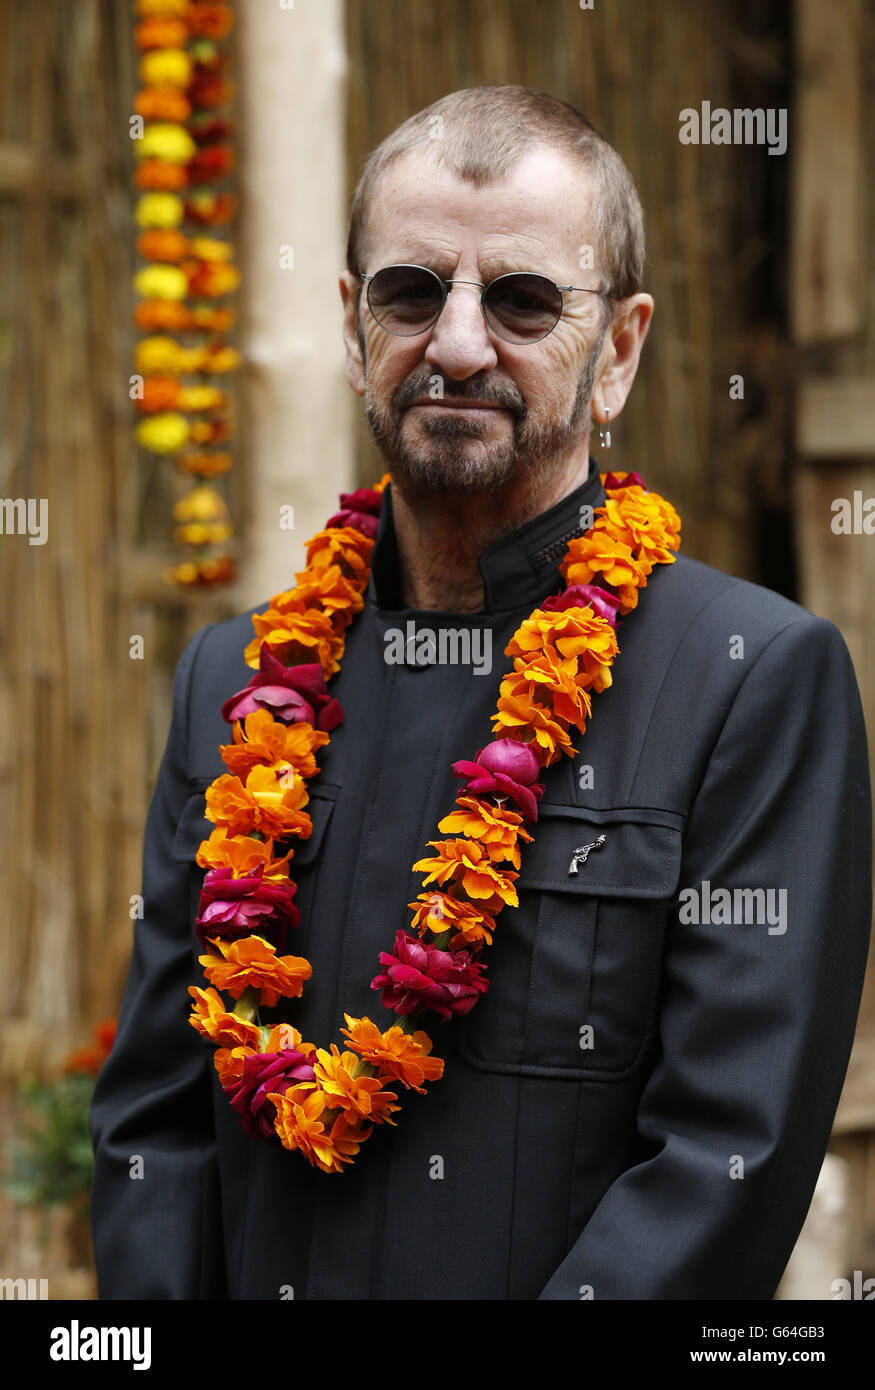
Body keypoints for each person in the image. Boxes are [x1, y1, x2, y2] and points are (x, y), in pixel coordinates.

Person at [90, 85, 871, 1300]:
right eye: (411, 292)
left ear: (615, 351)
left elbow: (723, 1159)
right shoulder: (231, 686)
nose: (456, 344)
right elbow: (154, 1128)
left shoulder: (749, 680)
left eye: (520, 300)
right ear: (354, 330)